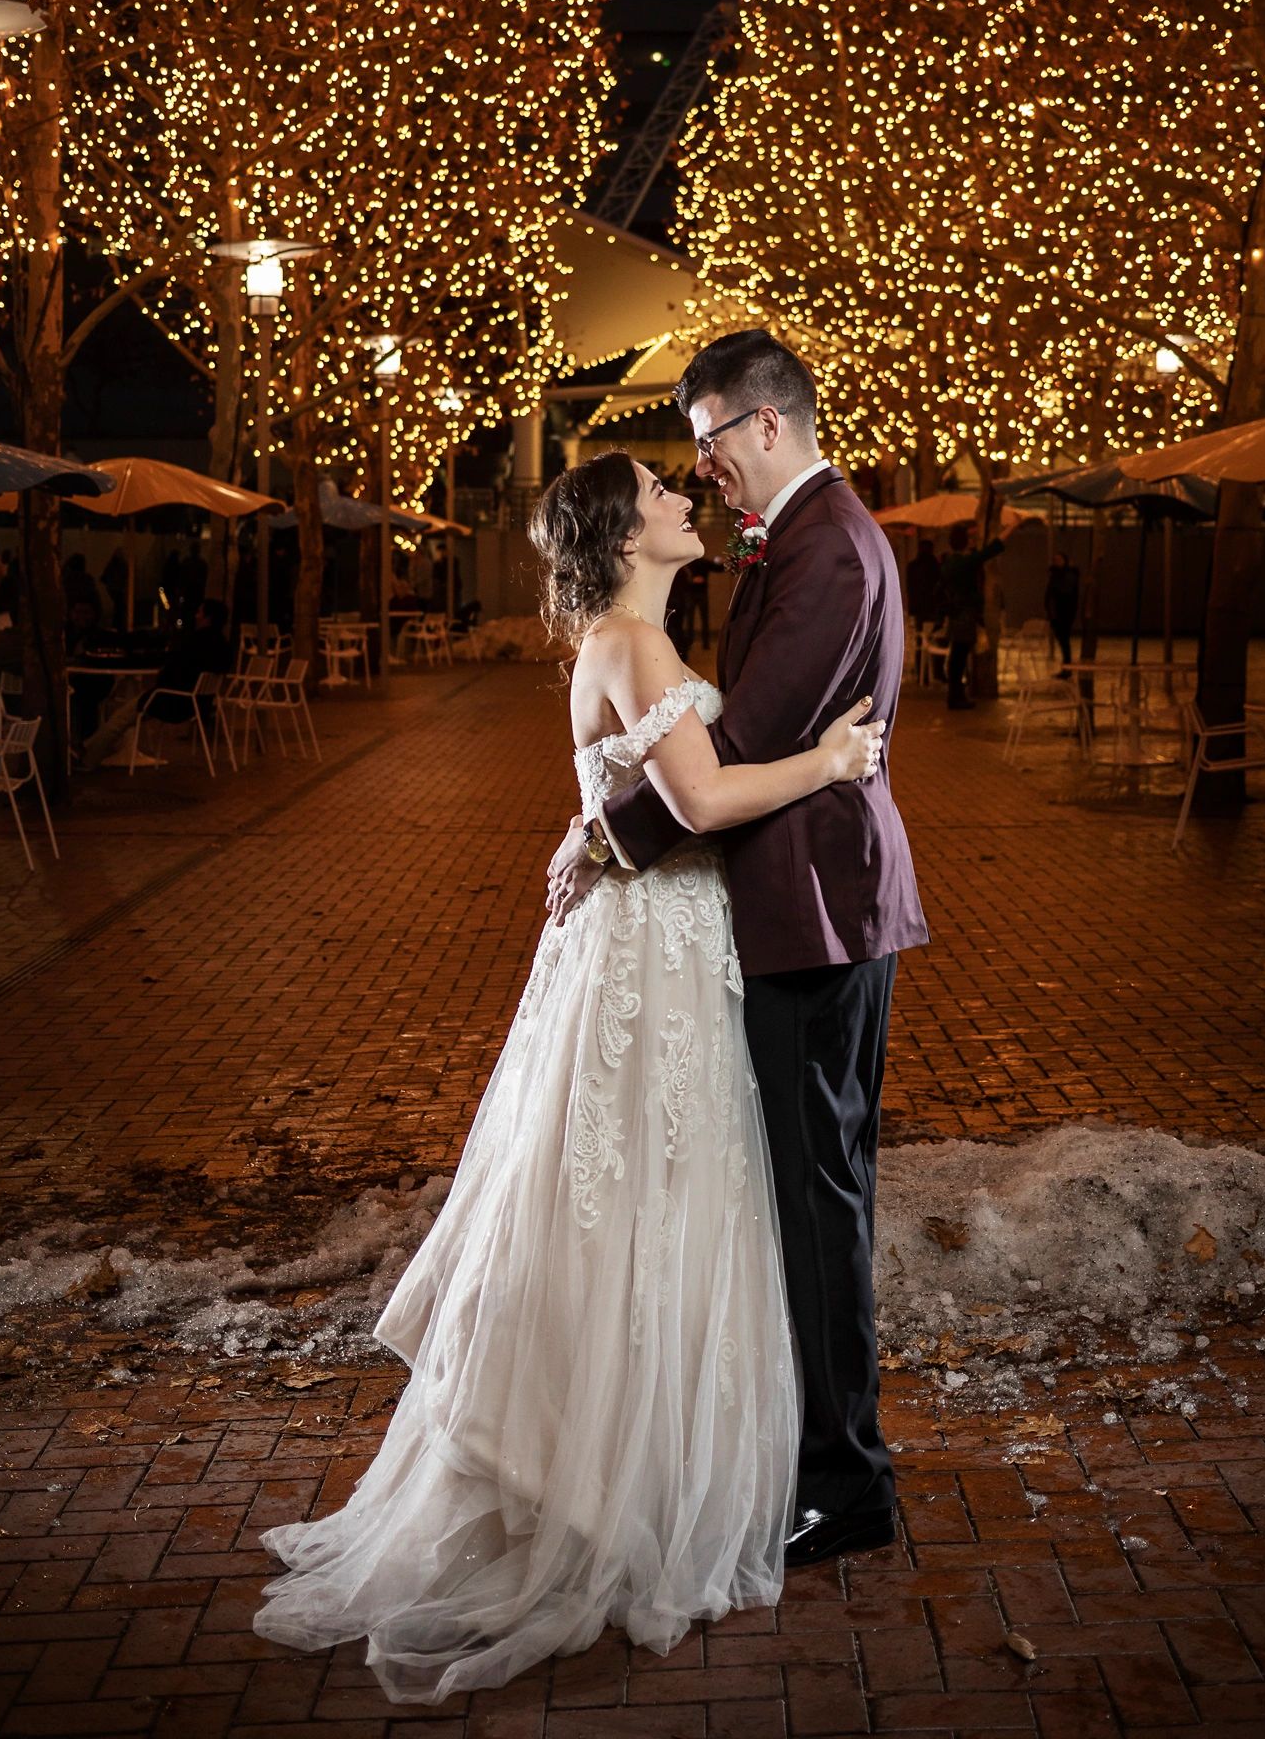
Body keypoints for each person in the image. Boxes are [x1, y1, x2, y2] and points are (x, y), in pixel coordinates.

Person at [253, 446, 884, 1700]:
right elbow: (698, 803)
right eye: (660, 492)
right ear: (621, 530)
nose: (683, 499)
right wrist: (829, 764)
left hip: (648, 940)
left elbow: (638, 799)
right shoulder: (635, 648)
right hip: (655, 953)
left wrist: (594, 834)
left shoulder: (621, 637)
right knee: (649, 1196)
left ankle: (608, 1457)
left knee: (631, 1199)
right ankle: (624, 1472)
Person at [546, 330, 928, 1570]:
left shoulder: (821, 552)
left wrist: (603, 844)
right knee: (812, 1191)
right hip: (796, 900)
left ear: (765, 426)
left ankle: (845, 1481)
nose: (698, 470)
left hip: (810, 907)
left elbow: (736, 749)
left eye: (705, 443)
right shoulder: (803, 543)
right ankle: (813, 1451)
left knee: (818, 1201)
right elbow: (728, 752)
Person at [78, 598, 231, 771]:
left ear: (207, 618)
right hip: (196, 704)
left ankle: (87, 760)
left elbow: (172, 673)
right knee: (125, 716)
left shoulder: (194, 644)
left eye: (199, 613)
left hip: (170, 701)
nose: (195, 616)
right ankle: (86, 746)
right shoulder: (222, 647)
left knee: (119, 719)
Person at [937, 522, 1003, 709]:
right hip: (965, 616)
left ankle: (955, 694)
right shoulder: (963, 563)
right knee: (959, 656)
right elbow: (989, 551)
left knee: (956, 656)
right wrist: (1011, 528)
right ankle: (956, 697)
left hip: (956, 614)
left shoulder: (948, 562)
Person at [1044, 549, 1080, 671]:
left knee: (1064, 640)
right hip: (1056, 613)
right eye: (1055, 560)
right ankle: (1066, 666)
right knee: (1062, 640)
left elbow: (1064, 592)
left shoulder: (1068, 575)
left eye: (1059, 559)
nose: (1056, 562)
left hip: (1064, 613)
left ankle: (1067, 667)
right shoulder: (1055, 575)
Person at [905, 537, 943, 632]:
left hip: (917, 606)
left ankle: (919, 644)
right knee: (931, 631)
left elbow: (910, 587)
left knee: (919, 631)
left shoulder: (912, 566)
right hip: (931, 605)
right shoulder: (935, 565)